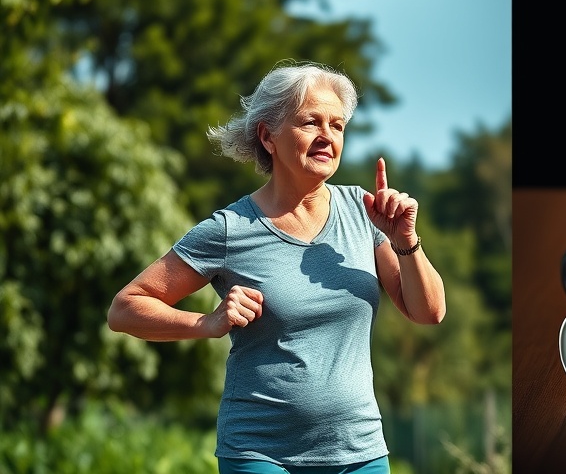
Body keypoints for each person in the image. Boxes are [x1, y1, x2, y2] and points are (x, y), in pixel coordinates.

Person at [107, 60, 446, 474]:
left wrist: (405, 240)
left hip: (358, 450)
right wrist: (206, 323)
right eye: (311, 123)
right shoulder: (231, 229)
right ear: (268, 136)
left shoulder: (365, 213)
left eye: (337, 126)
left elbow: (429, 312)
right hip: (260, 454)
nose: (327, 137)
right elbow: (125, 308)